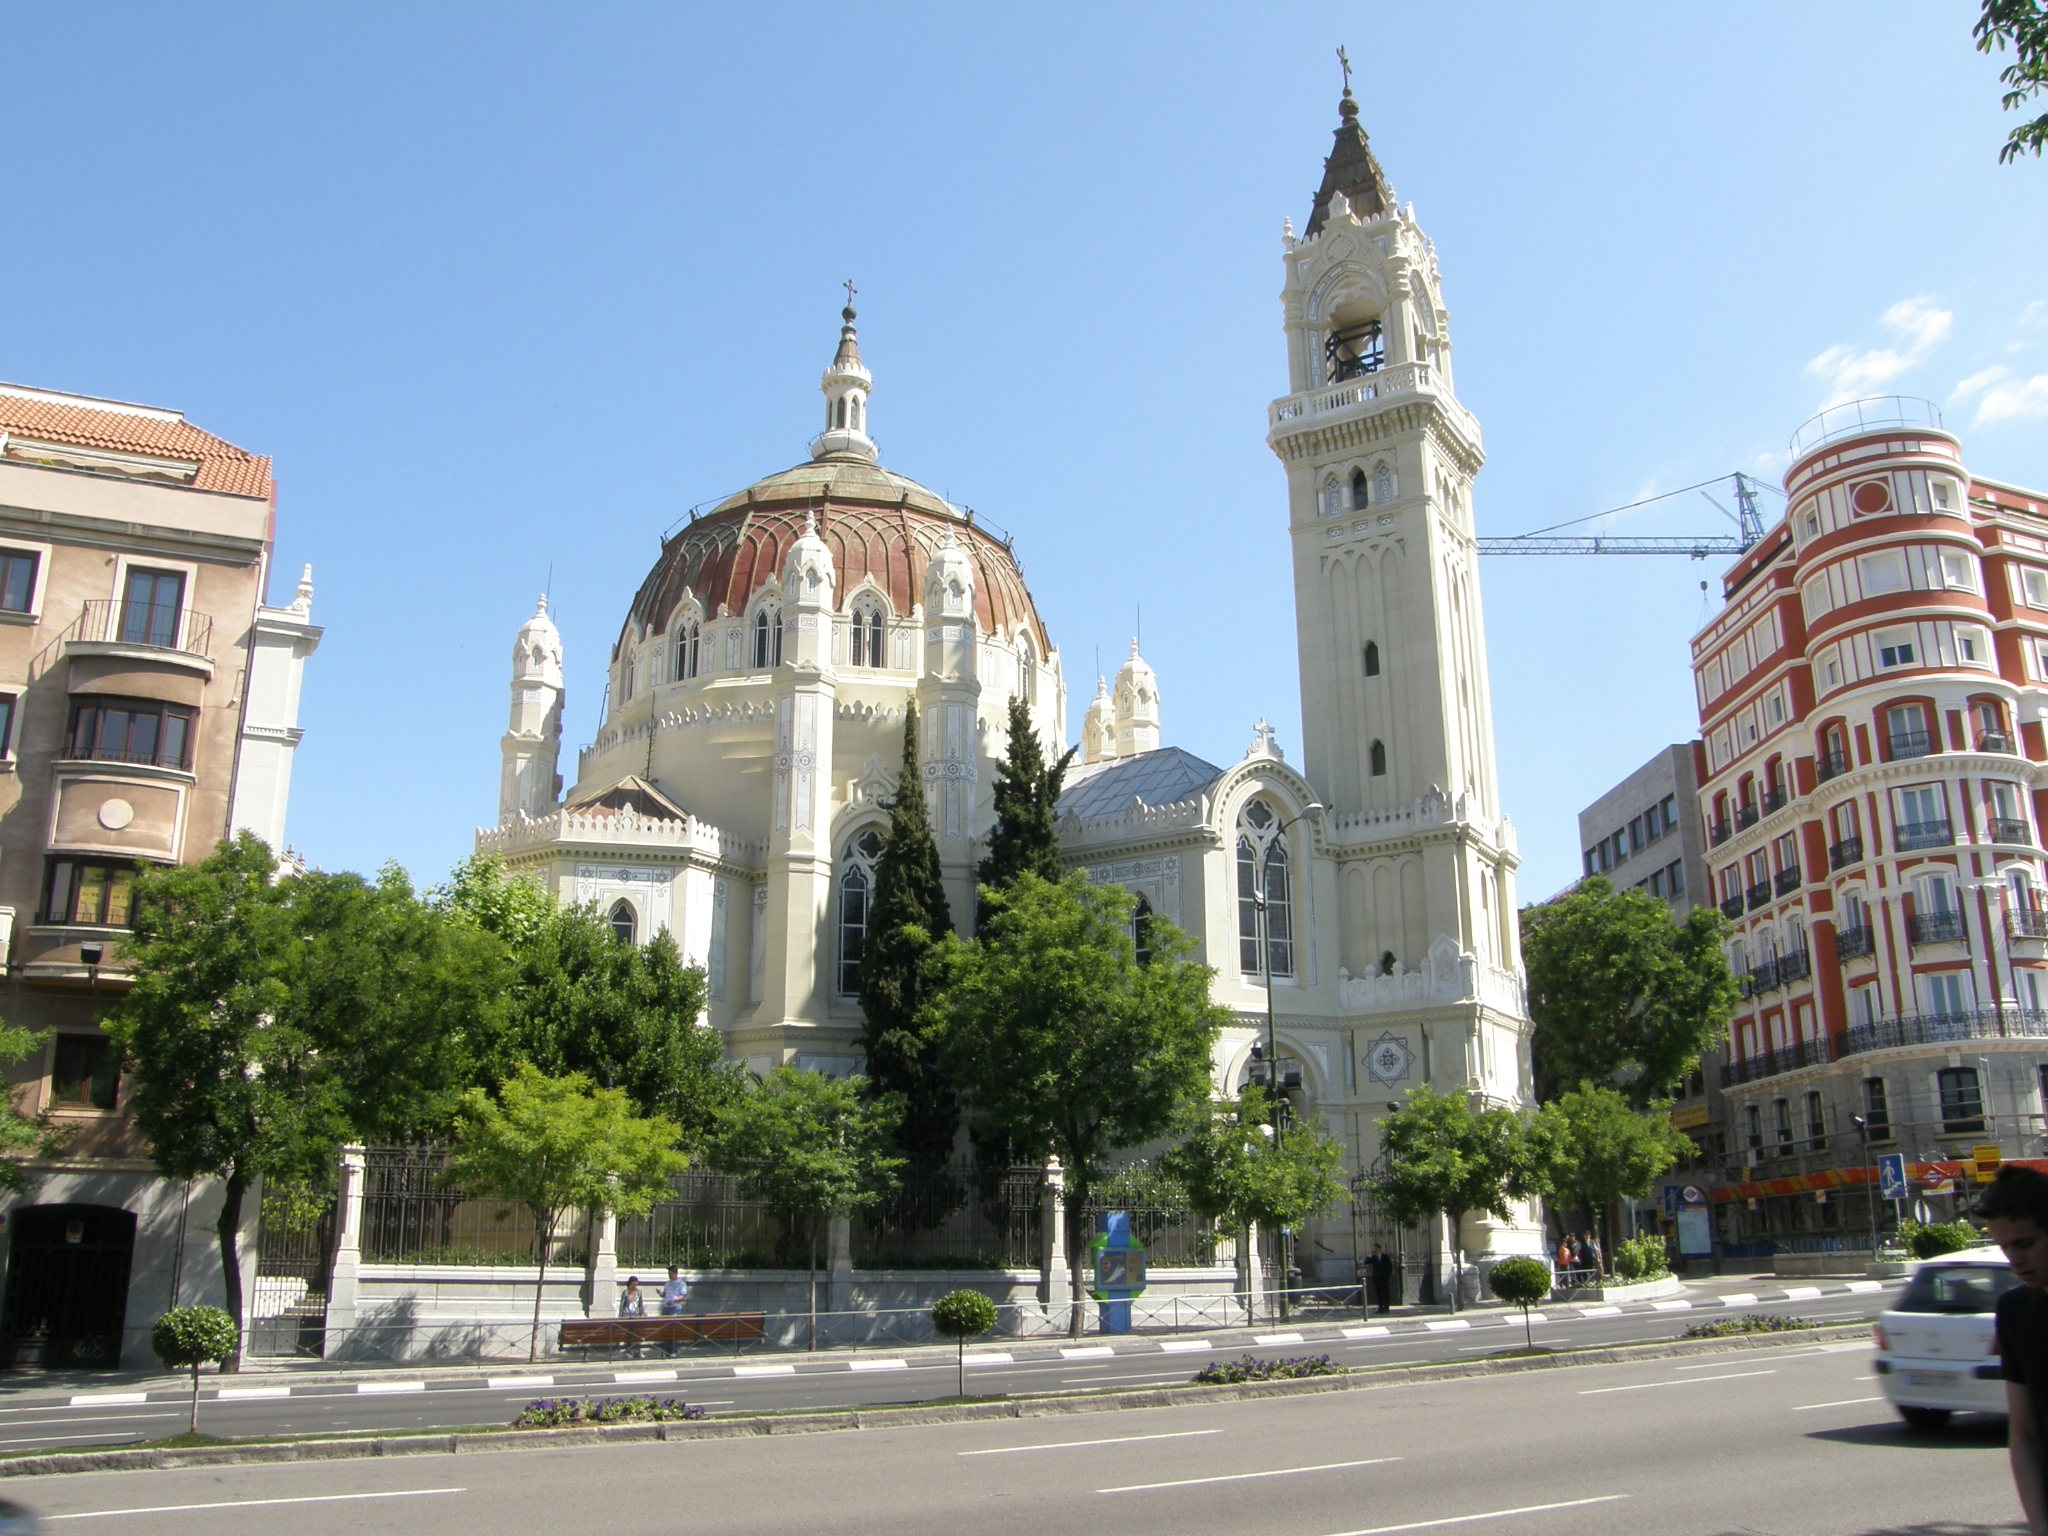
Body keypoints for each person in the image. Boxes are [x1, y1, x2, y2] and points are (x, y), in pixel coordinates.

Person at [1981, 1165, 2048, 1535]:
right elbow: (2023, 1434)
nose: (2014, 1260)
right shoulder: (2015, 1311)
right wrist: (2039, 1525)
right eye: (2004, 1247)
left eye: (2025, 1244)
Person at [660, 1264, 690, 1357]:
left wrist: (673, 1301)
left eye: (670, 1273)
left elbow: (684, 1297)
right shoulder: (667, 1283)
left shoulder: (681, 1283)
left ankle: (674, 1350)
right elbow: (665, 1294)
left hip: (674, 1308)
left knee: (673, 1330)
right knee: (666, 1330)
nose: (669, 1275)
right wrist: (660, 1293)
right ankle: (666, 1350)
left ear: (675, 1273)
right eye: (668, 1273)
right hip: (666, 1308)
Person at [617, 1274, 646, 1359]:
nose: (635, 1286)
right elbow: (622, 1305)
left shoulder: (639, 1292)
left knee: (637, 1335)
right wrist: (620, 1316)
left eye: (636, 1284)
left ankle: (638, 1351)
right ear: (630, 1283)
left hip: (636, 1315)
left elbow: (640, 1305)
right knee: (628, 1335)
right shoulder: (625, 1292)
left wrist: (641, 1315)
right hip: (627, 1315)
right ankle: (628, 1351)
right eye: (633, 1284)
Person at [1367, 1243, 1394, 1314]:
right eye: (1374, 1249)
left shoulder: (1385, 1256)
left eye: (1376, 1248)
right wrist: (1370, 1255)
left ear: (1379, 1249)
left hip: (1384, 1278)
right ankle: (1380, 1307)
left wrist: (1388, 1275)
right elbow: (1366, 1262)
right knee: (1378, 1294)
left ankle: (1386, 1308)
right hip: (1377, 1279)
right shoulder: (1373, 1257)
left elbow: (1390, 1266)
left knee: (1386, 1293)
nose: (1375, 1250)